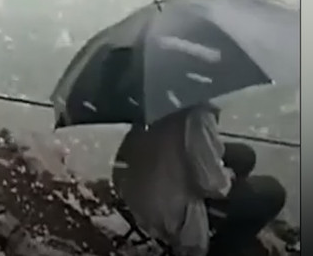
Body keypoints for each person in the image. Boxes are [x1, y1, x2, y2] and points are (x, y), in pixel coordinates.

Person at [112, 102, 286, 256]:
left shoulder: (151, 106)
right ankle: (221, 246)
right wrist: (228, 175)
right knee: (274, 192)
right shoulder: (198, 114)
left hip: (135, 195)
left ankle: (224, 216)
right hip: (170, 211)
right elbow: (212, 185)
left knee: (245, 155)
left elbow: (123, 164)